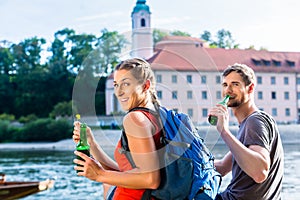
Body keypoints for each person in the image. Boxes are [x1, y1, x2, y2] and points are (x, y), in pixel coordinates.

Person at [73, 58, 164, 200]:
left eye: (126, 84)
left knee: (106, 185)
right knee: (107, 185)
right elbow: (127, 173)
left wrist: (99, 174)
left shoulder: (135, 119)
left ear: (145, 86)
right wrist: (91, 144)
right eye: (116, 85)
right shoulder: (159, 115)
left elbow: (151, 179)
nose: (119, 92)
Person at [209, 63, 284, 200]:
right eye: (225, 85)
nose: (228, 90)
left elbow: (260, 172)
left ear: (250, 88)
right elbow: (222, 167)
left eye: (235, 84)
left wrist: (223, 131)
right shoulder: (246, 125)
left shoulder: (255, 121)